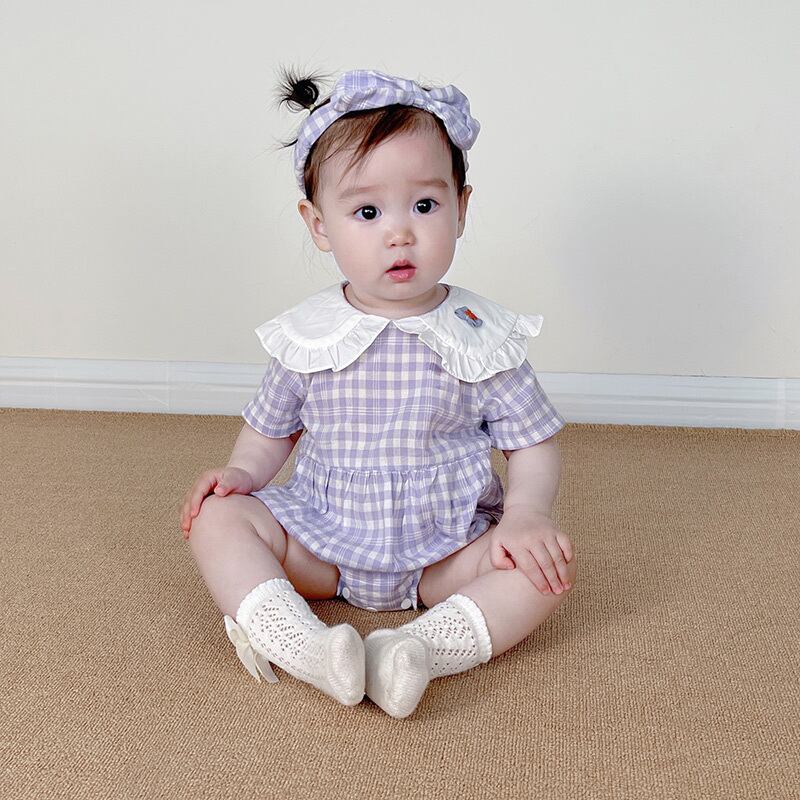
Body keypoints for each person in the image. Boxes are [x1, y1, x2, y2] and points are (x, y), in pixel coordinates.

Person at [180, 67, 577, 719]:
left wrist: (528, 514)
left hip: (448, 550)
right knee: (217, 518)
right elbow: (271, 429)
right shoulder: (310, 335)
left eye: (424, 206)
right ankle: (304, 646)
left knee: (544, 569)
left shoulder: (481, 336)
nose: (399, 233)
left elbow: (531, 443)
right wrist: (242, 473)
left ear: (461, 207)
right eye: (367, 212)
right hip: (323, 542)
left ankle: (416, 650)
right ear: (319, 225)